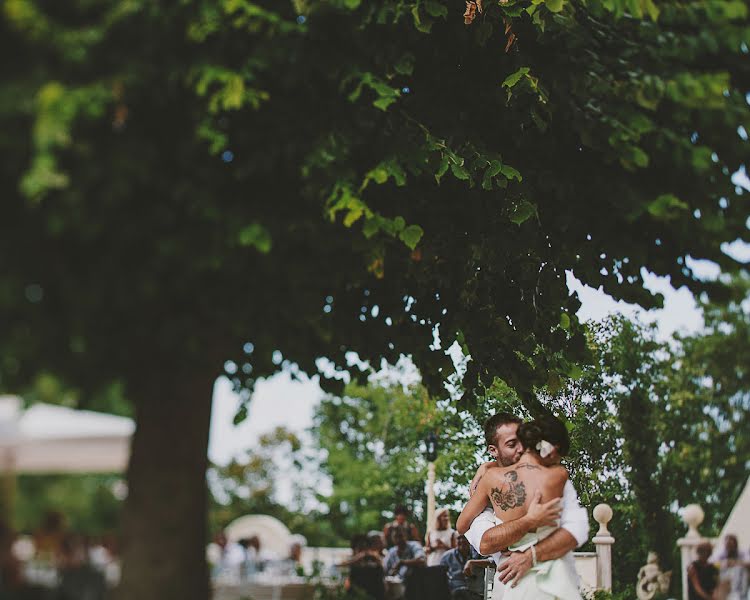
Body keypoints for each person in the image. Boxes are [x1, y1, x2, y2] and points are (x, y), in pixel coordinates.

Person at [461, 412, 589, 596]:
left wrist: (531, 555)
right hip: (513, 580)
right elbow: (485, 543)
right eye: (513, 444)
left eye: (524, 441)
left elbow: (576, 529)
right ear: (493, 450)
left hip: (538, 578)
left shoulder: (492, 479)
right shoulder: (557, 475)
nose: (521, 449)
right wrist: (530, 520)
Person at [440, 534, 494, 600]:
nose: (462, 540)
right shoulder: (447, 556)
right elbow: (440, 578)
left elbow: (493, 563)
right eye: (459, 538)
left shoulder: (479, 552)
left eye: (464, 538)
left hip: (476, 594)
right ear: (454, 541)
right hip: (455, 594)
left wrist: (472, 562)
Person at [384, 529, 426, 598]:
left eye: (400, 536)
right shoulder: (392, 551)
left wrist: (402, 562)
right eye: (396, 537)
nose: (398, 539)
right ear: (392, 539)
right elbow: (385, 568)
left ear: (406, 536)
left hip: (414, 585)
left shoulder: (414, 545)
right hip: (397, 586)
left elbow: (422, 560)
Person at [713, 534, 748, 600]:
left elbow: (748, 562)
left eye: (731, 545)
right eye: (728, 545)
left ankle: (741, 595)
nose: (729, 547)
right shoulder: (721, 553)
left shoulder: (742, 552)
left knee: (740, 570)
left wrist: (735, 562)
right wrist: (725, 563)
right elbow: (712, 562)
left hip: (740, 578)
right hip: (724, 577)